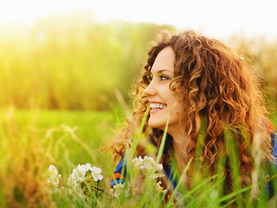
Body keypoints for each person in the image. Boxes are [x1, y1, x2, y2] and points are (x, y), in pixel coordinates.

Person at [110, 30, 276, 199]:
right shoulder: (144, 150)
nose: (147, 91)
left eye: (164, 78)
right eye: (151, 78)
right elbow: (113, 202)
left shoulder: (264, 149)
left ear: (203, 89)